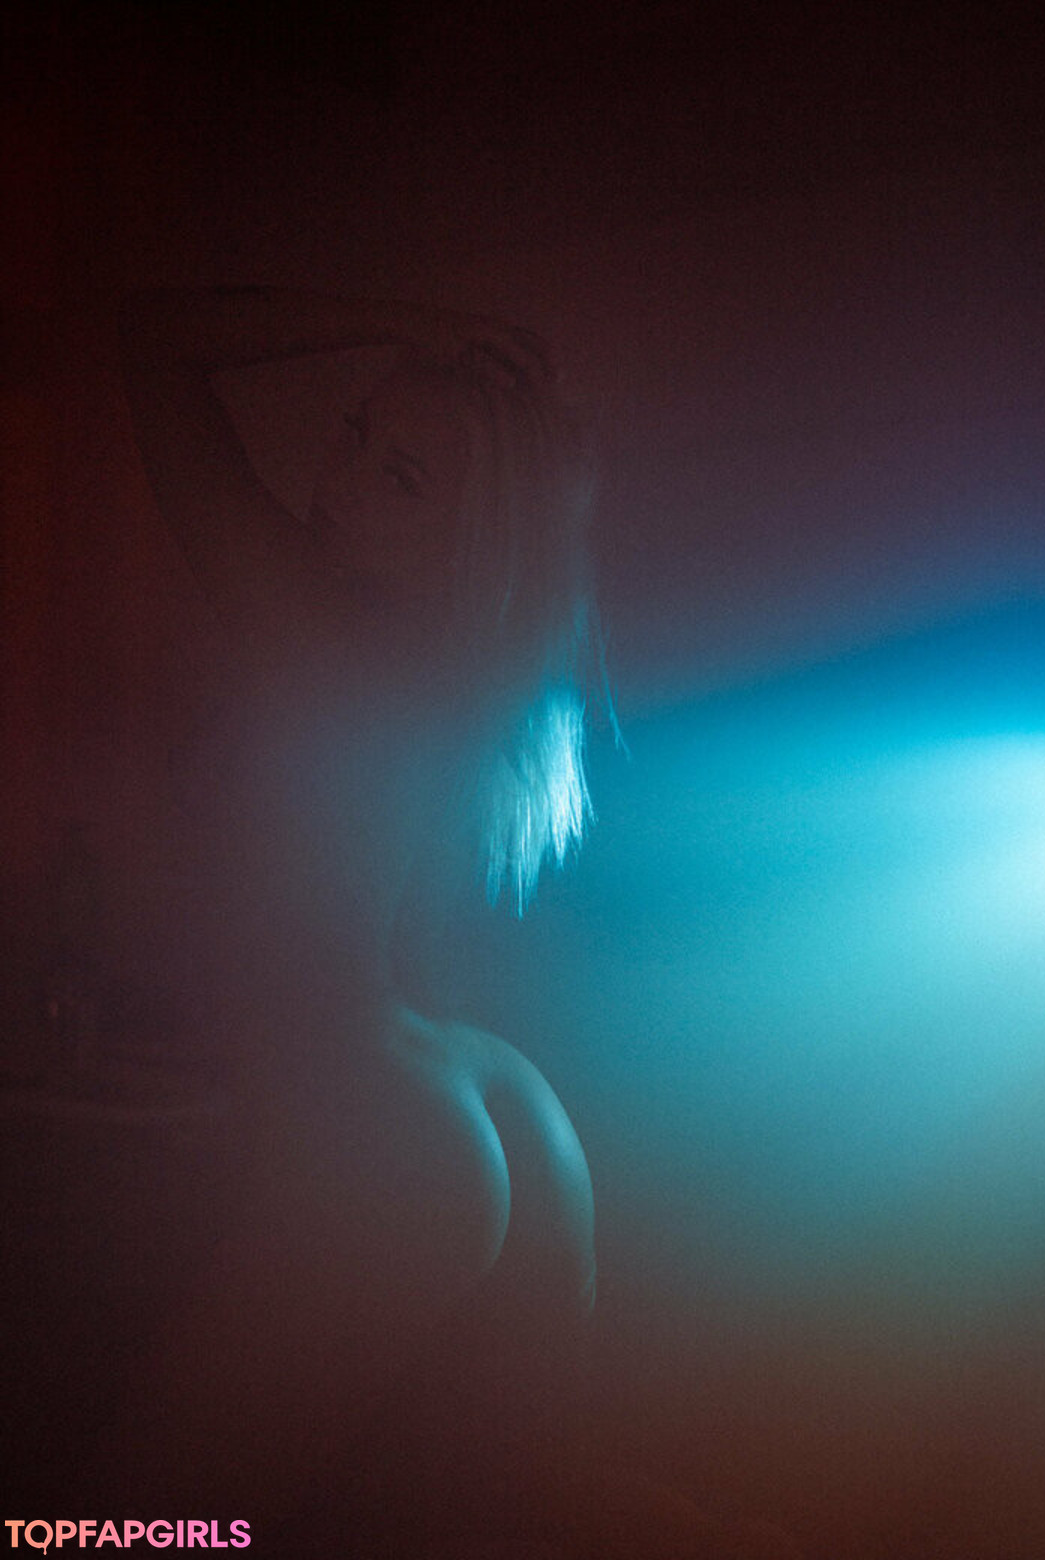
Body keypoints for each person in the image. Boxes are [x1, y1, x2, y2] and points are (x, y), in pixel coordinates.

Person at [94, 287, 602, 1547]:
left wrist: (388, 297)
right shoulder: (472, 677)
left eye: (402, 478)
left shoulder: (310, 625)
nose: (341, 481)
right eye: (357, 437)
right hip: (487, 1097)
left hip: (379, 1114)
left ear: (469, 538)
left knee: (113, 1534)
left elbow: (152, 344)